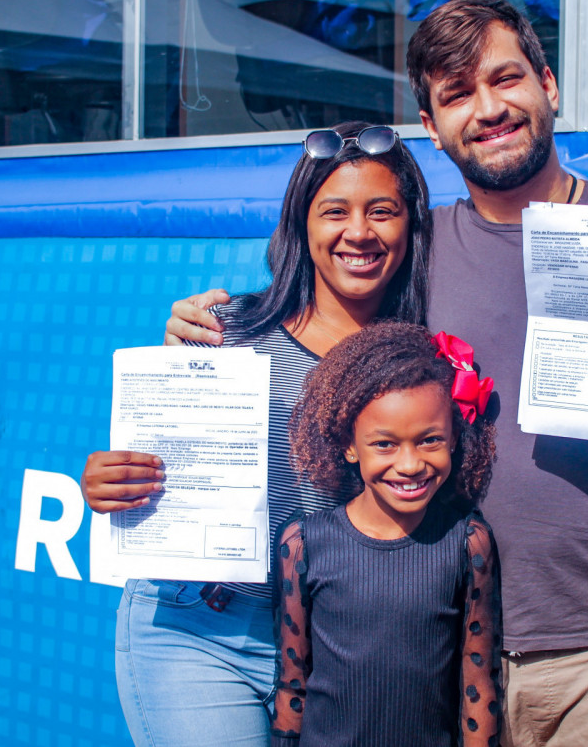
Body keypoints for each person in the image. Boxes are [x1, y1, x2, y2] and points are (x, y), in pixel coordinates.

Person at [165, 0, 588, 744]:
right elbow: (314, 324)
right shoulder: (415, 256)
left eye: (505, 79)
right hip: (440, 655)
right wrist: (206, 330)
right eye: (456, 95)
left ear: (549, 84)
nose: (488, 110)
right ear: (431, 123)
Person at [80, 120, 433, 746]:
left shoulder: (422, 361)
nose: (359, 232)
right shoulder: (223, 332)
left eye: (382, 211)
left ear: (411, 228)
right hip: (199, 630)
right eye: (335, 211)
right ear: (301, 224)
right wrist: (111, 481)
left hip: (342, 643)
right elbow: (158, 462)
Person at [273, 322, 500, 746]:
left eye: (430, 439)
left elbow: (480, 687)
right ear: (348, 444)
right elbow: (292, 685)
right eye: (385, 445)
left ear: (454, 438)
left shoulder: (468, 542)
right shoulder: (303, 544)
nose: (411, 464)